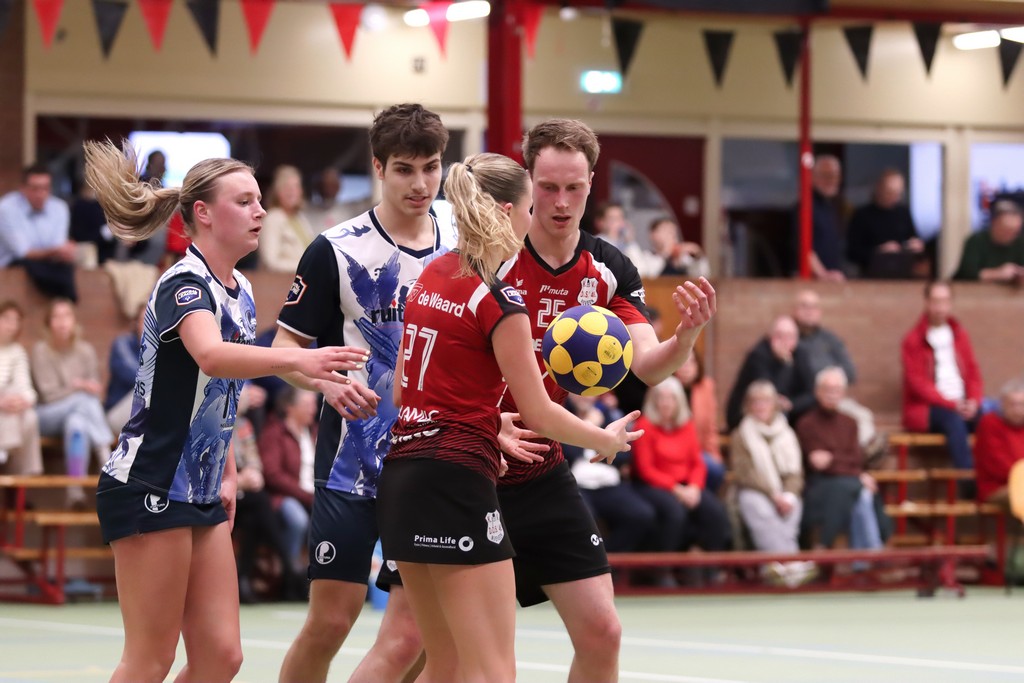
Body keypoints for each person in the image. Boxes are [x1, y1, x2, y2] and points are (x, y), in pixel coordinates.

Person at [82, 139, 366, 683]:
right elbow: (212, 356)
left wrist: (230, 469)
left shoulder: (242, 290)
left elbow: (222, 392)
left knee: (221, 657)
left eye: (260, 200)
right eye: (245, 201)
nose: (260, 211)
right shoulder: (183, 283)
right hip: (151, 481)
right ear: (205, 214)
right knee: (150, 659)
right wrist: (299, 358)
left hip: (203, 487)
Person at [377, 152, 642, 683]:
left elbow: (404, 389)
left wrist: (481, 418)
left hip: (404, 474)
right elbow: (540, 413)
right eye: (529, 206)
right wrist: (603, 438)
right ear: (507, 212)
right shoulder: (500, 299)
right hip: (458, 479)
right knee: (491, 671)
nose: (534, 217)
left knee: (443, 664)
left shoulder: (431, 275)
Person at [495, 117, 716, 683]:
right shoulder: (492, 257)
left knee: (603, 632)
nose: (560, 202)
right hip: (473, 462)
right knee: (423, 646)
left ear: (591, 184)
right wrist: (486, 421)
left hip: (542, 466)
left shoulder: (608, 267)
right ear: (528, 180)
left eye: (574, 187)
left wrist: (685, 337)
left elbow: (647, 364)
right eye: (548, 187)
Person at [271, 103, 453, 683]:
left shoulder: (463, 239)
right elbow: (283, 348)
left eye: (431, 167)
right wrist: (325, 380)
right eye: (404, 169)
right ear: (378, 167)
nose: (420, 184)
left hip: (434, 462)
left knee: (418, 633)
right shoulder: (335, 248)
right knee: (330, 621)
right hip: (352, 463)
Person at [631, 378, 731, 561]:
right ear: (653, 401)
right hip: (653, 485)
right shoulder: (644, 426)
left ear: (679, 401)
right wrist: (677, 489)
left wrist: (694, 487)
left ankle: (709, 565)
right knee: (675, 513)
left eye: (671, 398)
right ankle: (662, 568)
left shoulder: (687, 425)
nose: (666, 403)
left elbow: (697, 463)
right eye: (661, 398)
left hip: (686, 484)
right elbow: (646, 470)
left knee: (715, 512)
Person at [729, 381, 814, 587]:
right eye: (756, 402)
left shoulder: (787, 433)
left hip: (784, 492)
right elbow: (745, 473)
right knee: (762, 510)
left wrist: (788, 496)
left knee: (792, 509)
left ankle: (777, 568)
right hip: (754, 490)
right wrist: (773, 494)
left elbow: (795, 472)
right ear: (748, 406)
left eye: (766, 401)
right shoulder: (741, 434)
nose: (761, 406)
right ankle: (790, 566)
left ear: (774, 404)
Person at [30, 298, 114, 505]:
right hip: (46, 415)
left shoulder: (85, 351)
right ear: (48, 323)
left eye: (67, 316)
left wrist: (87, 388)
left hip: (78, 412)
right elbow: (48, 395)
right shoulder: (41, 350)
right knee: (81, 401)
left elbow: (95, 394)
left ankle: (74, 491)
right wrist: (79, 386)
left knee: (77, 424)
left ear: (74, 321)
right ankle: (106, 457)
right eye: (56, 317)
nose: (62, 322)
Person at [797, 367, 890, 552]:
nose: (832, 394)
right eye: (827, 389)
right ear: (817, 391)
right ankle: (871, 552)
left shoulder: (850, 422)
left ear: (843, 393)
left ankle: (850, 552)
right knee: (858, 490)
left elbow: (856, 458)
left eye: (837, 390)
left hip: (847, 482)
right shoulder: (807, 423)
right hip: (820, 484)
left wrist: (833, 459)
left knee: (859, 492)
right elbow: (819, 465)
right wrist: (856, 474)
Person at [901, 281, 982, 471]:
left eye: (945, 301)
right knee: (953, 421)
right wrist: (952, 404)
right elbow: (917, 384)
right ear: (926, 302)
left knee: (992, 419)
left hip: (962, 403)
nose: (940, 307)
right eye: (935, 301)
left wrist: (973, 401)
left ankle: (1001, 477)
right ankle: (967, 479)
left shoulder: (960, 335)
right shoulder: (913, 339)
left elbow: (973, 372)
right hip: (929, 408)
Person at [564, 393, 656, 554]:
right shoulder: (562, 415)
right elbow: (568, 453)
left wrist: (597, 445)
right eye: (577, 393)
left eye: (588, 393)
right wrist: (590, 427)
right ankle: (594, 560)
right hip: (577, 485)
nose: (583, 397)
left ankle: (607, 557)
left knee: (642, 514)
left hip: (609, 484)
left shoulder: (606, 415)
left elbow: (624, 454)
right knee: (584, 520)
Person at [791, 289, 881, 453]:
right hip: (806, 403)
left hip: (834, 398)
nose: (809, 311)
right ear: (795, 310)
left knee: (863, 416)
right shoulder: (789, 337)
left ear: (819, 311)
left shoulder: (830, 339)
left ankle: (863, 456)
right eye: (804, 306)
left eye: (813, 307)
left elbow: (850, 372)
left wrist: (831, 380)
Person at [258, 386, 318, 576]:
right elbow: (272, 474)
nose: (313, 409)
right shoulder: (274, 432)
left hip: (315, 494)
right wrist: (306, 495)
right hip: (284, 496)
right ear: (290, 408)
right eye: (308, 404)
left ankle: (321, 571)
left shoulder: (315, 432)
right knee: (297, 519)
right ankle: (289, 571)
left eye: (314, 404)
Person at [0, 163, 77, 300]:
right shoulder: (6, 208)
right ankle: (66, 301)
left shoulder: (59, 207)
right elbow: (23, 252)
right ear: (22, 188)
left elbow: (58, 246)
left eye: (45, 188)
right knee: (33, 266)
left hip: (48, 264)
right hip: (12, 266)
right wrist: (57, 250)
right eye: (35, 188)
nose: (41, 194)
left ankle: (64, 303)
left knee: (64, 267)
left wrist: (64, 251)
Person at [725, 315, 809, 430]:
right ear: (770, 336)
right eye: (779, 336)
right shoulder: (758, 355)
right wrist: (784, 364)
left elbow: (811, 392)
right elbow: (767, 392)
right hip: (747, 414)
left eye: (789, 336)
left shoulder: (800, 354)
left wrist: (793, 404)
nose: (784, 341)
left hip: (785, 411)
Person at [845, 169, 923, 278]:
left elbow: (914, 239)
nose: (894, 197)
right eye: (890, 192)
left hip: (902, 275)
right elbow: (851, 252)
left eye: (898, 193)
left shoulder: (904, 213)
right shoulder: (862, 215)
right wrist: (878, 252)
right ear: (879, 188)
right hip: (871, 276)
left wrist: (916, 246)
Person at [0, 301, 42, 476]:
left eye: (15, 320)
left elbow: (27, 389)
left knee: (30, 417)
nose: (11, 325)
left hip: (10, 409)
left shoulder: (18, 352)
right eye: (7, 318)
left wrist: (23, 401)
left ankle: (22, 474)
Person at [674, 350, 725, 493]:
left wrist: (714, 453)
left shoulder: (706, 387)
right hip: (673, 451)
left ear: (698, 366)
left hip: (698, 450)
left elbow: (710, 426)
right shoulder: (667, 387)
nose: (686, 368)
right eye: (682, 362)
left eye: (691, 362)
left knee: (716, 469)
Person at [792, 155, 846, 281]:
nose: (832, 180)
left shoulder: (832, 206)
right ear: (812, 177)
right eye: (826, 175)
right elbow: (804, 247)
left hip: (832, 280)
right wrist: (823, 274)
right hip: (812, 280)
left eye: (836, 175)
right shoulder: (805, 207)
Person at [973, 377, 1024, 507]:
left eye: (1021, 405)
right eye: (1012, 404)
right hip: (997, 487)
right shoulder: (990, 424)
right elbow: (997, 464)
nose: (1017, 410)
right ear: (1002, 404)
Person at [259, 165, 316, 273]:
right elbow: (270, 263)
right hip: (280, 281)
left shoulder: (300, 218)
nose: (292, 192)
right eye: (286, 187)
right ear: (277, 192)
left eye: (296, 186)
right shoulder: (272, 219)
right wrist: (308, 267)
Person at [953, 199, 1024, 283]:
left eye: (1015, 231)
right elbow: (967, 274)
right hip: (972, 289)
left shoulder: (1020, 243)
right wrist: (998, 274)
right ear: (994, 223)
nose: (1011, 235)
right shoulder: (977, 240)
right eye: (1006, 230)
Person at [105, 305, 146, 435]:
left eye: (155, 320)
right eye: (145, 319)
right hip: (116, 414)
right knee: (153, 392)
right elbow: (138, 377)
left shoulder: (162, 350)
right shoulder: (123, 343)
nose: (150, 325)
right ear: (135, 324)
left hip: (146, 418)